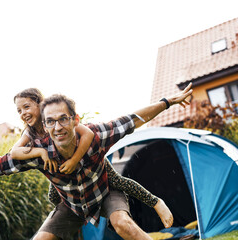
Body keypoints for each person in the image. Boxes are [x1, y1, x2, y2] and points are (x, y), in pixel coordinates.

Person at [0, 83, 192, 240]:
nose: (57, 127)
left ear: (74, 120)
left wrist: (168, 101)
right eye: (50, 122)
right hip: (70, 203)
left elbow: (134, 118)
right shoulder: (34, 148)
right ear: (44, 125)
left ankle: (154, 206)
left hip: (105, 192)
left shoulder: (94, 134)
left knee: (123, 224)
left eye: (62, 120)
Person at [11, 88, 172, 228]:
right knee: (53, 197)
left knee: (117, 181)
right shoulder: (29, 132)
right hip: (62, 172)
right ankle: (75, 214)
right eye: (19, 111)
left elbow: (88, 134)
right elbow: (14, 152)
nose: (23, 113)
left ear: (40, 104)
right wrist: (40, 153)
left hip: (90, 157)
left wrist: (74, 160)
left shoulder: (59, 117)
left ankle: (155, 201)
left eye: (26, 107)